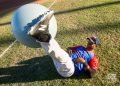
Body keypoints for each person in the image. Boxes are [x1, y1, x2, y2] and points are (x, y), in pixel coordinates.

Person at [27, 10, 100, 78]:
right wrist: (68, 49)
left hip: (69, 70)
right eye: (89, 41)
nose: (89, 43)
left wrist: (84, 63)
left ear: (96, 46)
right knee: (59, 53)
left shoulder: (93, 57)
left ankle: (41, 33)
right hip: (60, 63)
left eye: (91, 42)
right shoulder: (80, 47)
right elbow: (69, 48)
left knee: (62, 55)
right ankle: (39, 35)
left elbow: (91, 74)